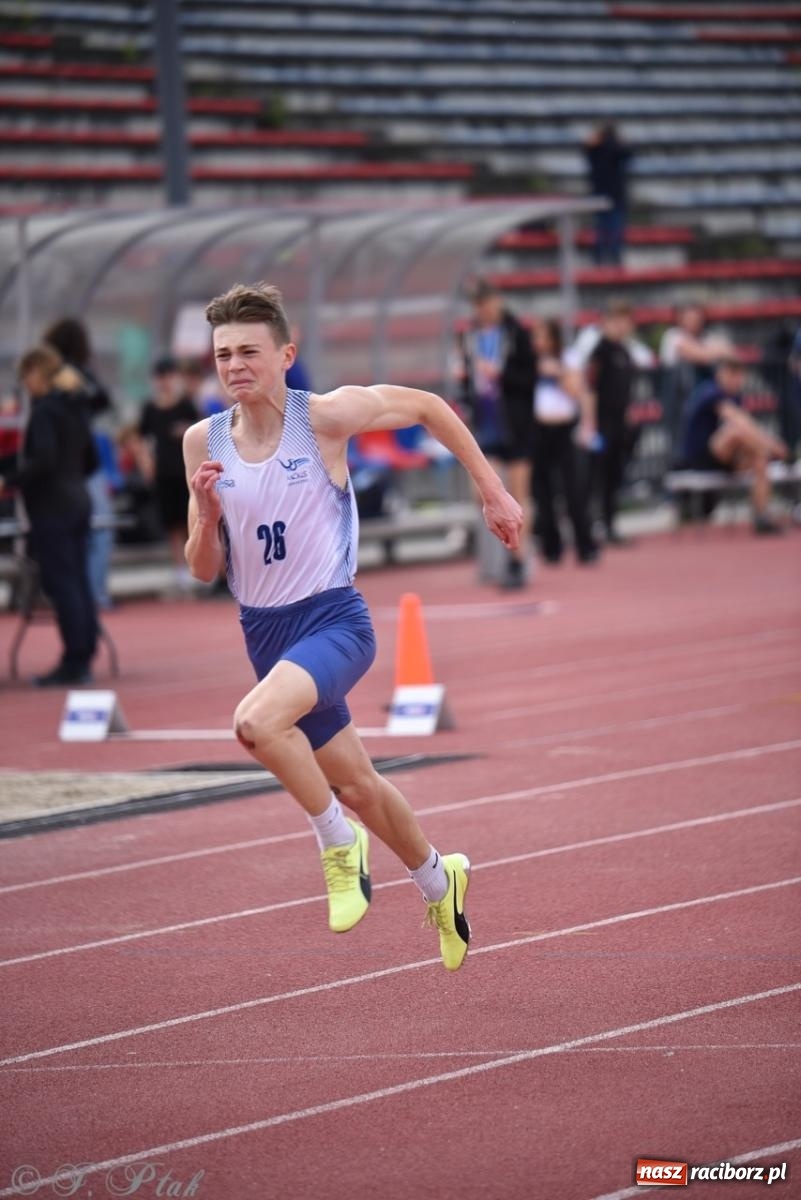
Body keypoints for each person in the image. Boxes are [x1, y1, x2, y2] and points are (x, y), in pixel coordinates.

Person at [183, 282, 523, 971]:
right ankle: (438, 879)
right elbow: (199, 567)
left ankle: (337, 844)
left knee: (254, 726)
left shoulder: (326, 418)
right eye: (223, 354)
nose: (234, 365)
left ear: (285, 354)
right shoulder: (203, 441)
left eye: (249, 351)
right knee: (360, 785)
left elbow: (427, 407)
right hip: (265, 634)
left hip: (334, 622)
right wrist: (207, 515)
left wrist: (492, 490)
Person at [0, 345, 98, 685]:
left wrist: (8, 482)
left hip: (53, 506)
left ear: (37, 373)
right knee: (80, 582)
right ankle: (84, 653)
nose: (25, 385)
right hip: (78, 500)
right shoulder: (76, 407)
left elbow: (42, 460)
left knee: (62, 583)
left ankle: (73, 661)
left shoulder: (44, 412)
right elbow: (91, 461)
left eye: (25, 377)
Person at [457, 277, 536, 589]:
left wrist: (501, 374)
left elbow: (529, 377)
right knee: (482, 491)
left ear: (497, 301)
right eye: (478, 305)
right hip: (486, 424)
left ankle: (518, 560)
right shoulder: (471, 335)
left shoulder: (516, 333)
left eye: (487, 303)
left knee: (517, 494)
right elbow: (468, 377)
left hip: (515, 424)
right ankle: (495, 554)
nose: (484, 310)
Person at [43, 317, 117, 611]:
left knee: (85, 531)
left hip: (63, 468)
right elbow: (103, 399)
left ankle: (82, 595)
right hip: (81, 463)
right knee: (100, 528)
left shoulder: (51, 376)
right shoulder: (73, 377)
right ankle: (92, 594)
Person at [678, 350, 789, 535]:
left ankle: (762, 515)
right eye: (733, 375)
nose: (738, 381)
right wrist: (773, 445)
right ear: (722, 374)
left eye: (740, 376)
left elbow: (748, 426)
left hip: (728, 458)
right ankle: (772, 454)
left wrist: (762, 447)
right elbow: (740, 422)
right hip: (702, 457)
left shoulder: (736, 397)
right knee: (735, 433)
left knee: (759, 459)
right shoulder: (712, 393)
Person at [531, 318, 598, 564]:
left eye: (542, 336)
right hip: (538, 430)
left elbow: (576, 390)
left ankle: (586, 546)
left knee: (574, 489)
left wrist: (557, 371)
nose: (537, 342)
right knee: (542, 492)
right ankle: (552, 548)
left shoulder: (568, 358)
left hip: (564, 429)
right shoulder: (529, 361)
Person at [136, 356, 199, 594]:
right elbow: (140, 438)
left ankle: (196, 566)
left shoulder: (186, 404)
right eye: (160, 378)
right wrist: (145, 462)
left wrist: (185, 430)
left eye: (168, 376)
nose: (164, 382)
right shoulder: (150, 408)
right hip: (163, 472)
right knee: (172, 522)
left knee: (191, 518)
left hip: (186, 470)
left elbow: (202, 429)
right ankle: (180, 569)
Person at [586, 300, 639, 544]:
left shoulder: (625, 352)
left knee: (614, 475)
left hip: (620, 422)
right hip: (602, 423)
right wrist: (591, 424)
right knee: (599, 476)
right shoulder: (600, 351)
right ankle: (596, 525)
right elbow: (591, 388)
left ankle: (610, 523)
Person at [583, 122, 632, 266]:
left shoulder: (596, 149)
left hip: (600, 193)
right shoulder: (614, 148)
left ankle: (601, 255)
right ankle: (613, 255)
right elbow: (628, 153)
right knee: (613, 226)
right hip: (614, 194)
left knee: (603, 226)